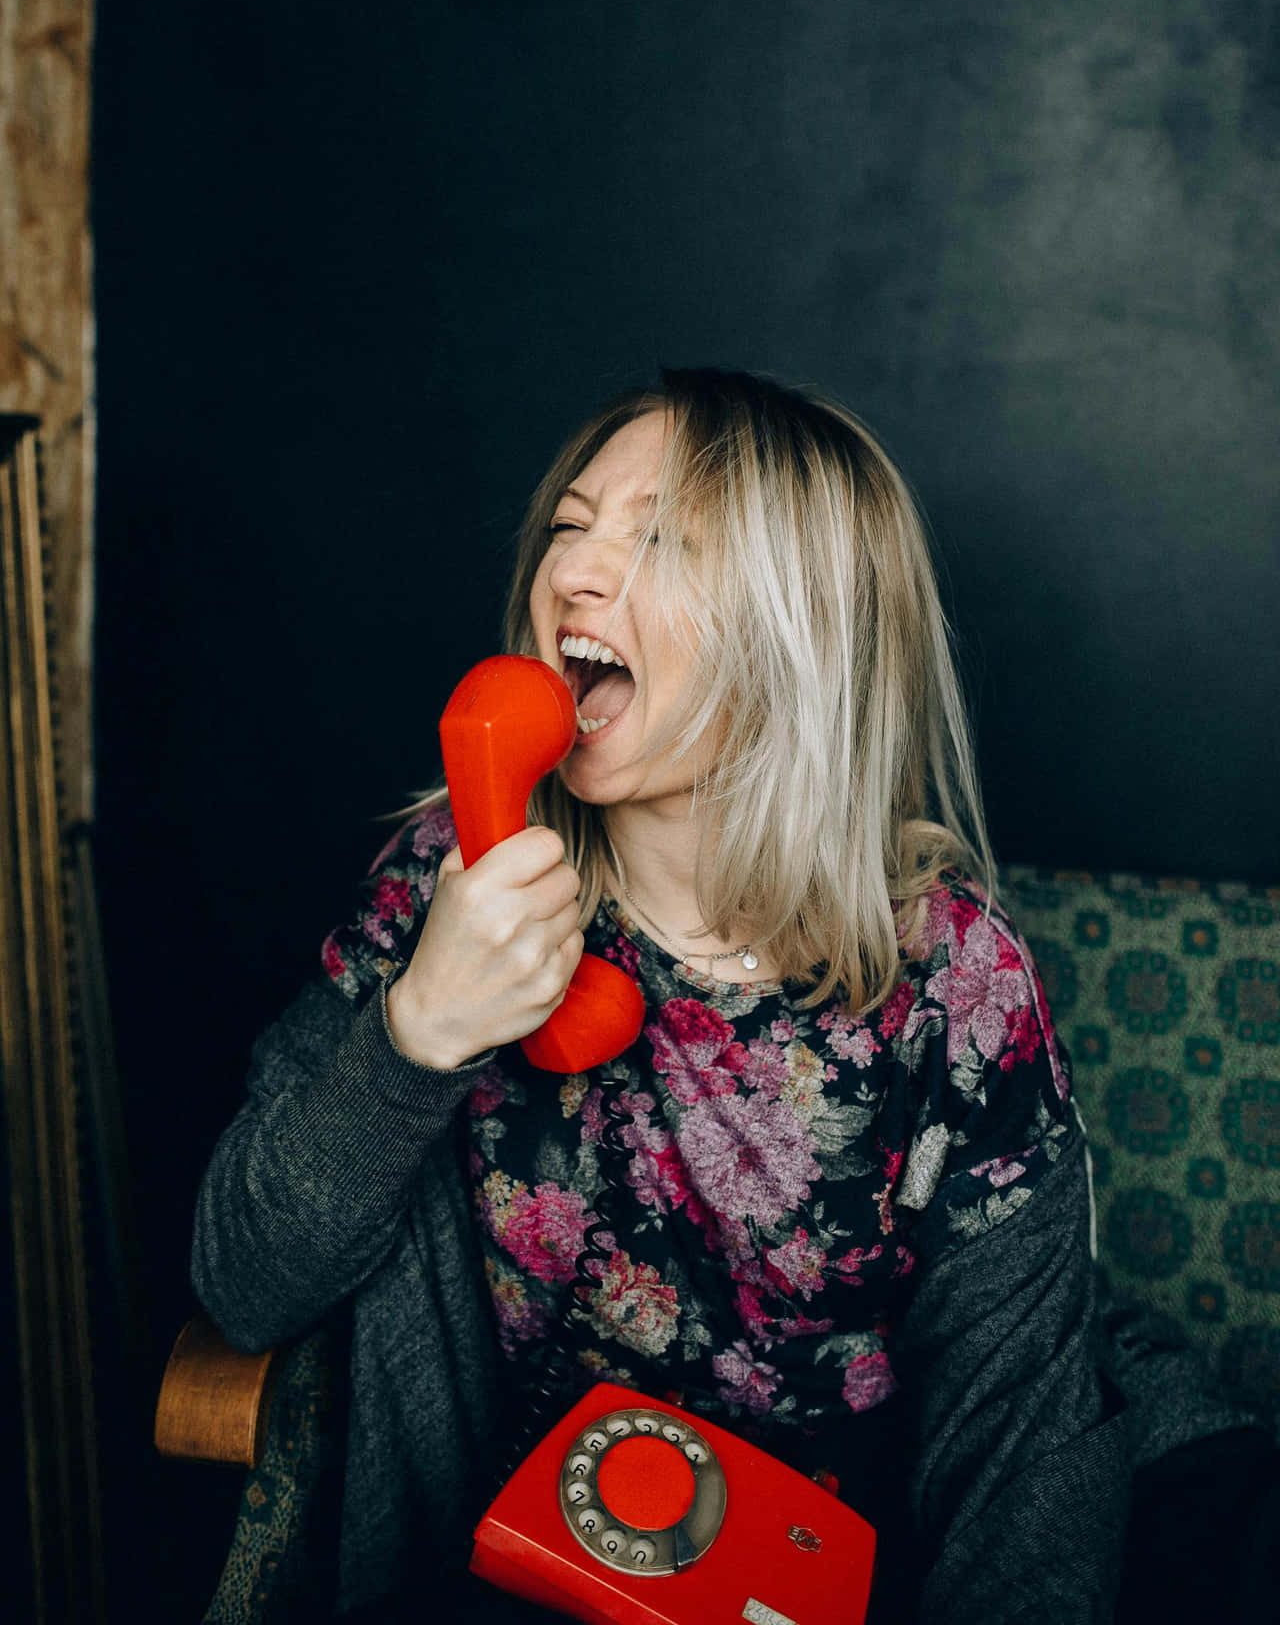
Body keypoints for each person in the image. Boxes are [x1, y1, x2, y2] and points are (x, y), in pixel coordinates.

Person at [191, 368, 1269, 1624]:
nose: (573, 575)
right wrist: (416, 1033)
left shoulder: (950, 977)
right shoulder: (452, 881)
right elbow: (242, 1282)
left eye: (659, 541)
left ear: (800, 632)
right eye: (570, 525)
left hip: (866, 1568)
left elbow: (1017, 1424)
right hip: (544, 1564)